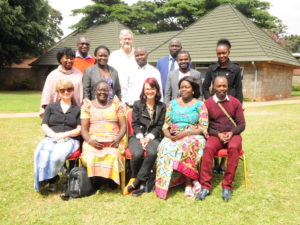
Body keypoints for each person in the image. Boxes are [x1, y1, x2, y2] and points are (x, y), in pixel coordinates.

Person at [155, 76, 208, 200]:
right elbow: (165, 125)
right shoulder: (172, 104)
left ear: (193, 90)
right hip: (173, 135)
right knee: (164, 146)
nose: (183, 89)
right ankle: (167, 185)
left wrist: (186, 134)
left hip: (193, 135)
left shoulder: (200, 105)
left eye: (187, 87)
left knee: (185, 146)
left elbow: (203, 127)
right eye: (181, 87)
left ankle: (188, 183)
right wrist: (168, 135)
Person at [196, 76, 245, 201]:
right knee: (208, 148)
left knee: (234, 148)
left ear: (227, 87)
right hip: (215, 134)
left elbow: (242, 124)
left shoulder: (235, 102)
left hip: (232, 134)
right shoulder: (207, 104)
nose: (222, 88)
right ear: (213, 87)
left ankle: (227, 186)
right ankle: (205, 186)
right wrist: (217, 134)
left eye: (224, 86)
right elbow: (204, 126)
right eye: (219, 86)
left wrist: (232, 132)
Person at [202, 38, 243, 174]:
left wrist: (238, 105)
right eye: (219, 53)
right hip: (214, 105)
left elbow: (238, 89)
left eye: (224, 53)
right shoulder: (212, 68)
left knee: (230, 131)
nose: (221, 56)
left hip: (230, 105)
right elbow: (204, 87)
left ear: (229, 52)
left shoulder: (235, 68)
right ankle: (215, 163)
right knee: (214, 130)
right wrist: (210, 102)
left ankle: (223, 163)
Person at [34, 79, 81, 192]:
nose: (66, 92)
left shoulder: (77, 109)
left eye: (69, 89)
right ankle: (50, 179)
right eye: (62, 90)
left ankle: (51, 178)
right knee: (40, 154)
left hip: (70, 139)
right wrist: (54, 135)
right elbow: (44, 125)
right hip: (51, 137)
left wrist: (64, 134)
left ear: (73, 91)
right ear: (58, 92)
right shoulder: (50, 107)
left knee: (55, 156)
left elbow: (79, 129)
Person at [124, 78, 166, 197]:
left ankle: (136, 182)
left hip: (154, 137)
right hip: (137, 136)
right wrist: (141, 137)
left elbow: (159, 125)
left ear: (157, 90)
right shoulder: (138, 104)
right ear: (143, 90)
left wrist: (149, 137)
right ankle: (136, 177)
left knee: (152, 152)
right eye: (147, 89)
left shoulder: (162, 106)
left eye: (152, 88)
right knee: (137, 153)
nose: (149, 91)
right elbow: (135, 124)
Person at [80, 80, 127, 188]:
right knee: (91, 155)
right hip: (93, 140)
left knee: (113, 155)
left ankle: (111, 179)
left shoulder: (116, 104)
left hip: (114, 140)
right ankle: (95, 180)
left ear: (109, 91)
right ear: (95, 91)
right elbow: (84, 129)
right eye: (100, 90)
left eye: (105, 90)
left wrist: (118, 139)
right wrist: (90, 141)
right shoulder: (88, 106)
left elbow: (123, 126)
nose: (102, 92)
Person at [39, 47, 83, 117]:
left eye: (71, 58)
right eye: (66, 58)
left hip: (75, 113)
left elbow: (82, 94)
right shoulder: (53, 75)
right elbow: (47, 95)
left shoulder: (79, 74)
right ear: (60, 59)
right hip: (56, 113)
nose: (69, 60)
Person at [108, 29, 137, 97]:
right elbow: (109, 74)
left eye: (129, 39)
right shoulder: (113, 56)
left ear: (132, 41)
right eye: (125, 39)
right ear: (120, 41)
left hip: (135, 93)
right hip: (117, 94)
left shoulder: (138, 54)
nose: (127, 41)